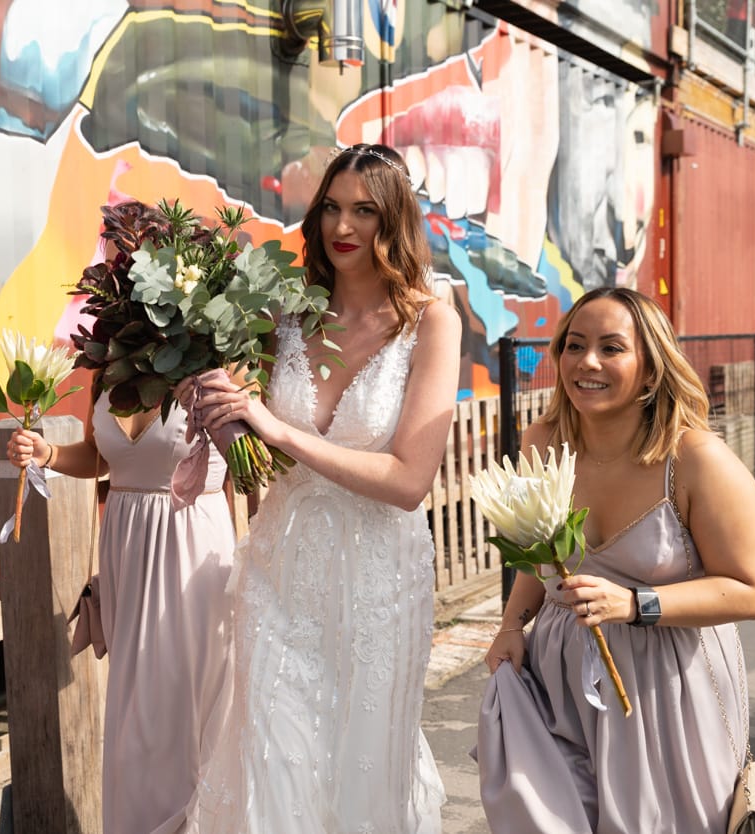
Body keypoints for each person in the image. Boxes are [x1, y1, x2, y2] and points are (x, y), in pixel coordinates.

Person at [179, 143, 461, 832]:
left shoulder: (432, 321)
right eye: (332, 207)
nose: (344, 225)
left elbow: (408, 481)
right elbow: (257, 446)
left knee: (361, 767)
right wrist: (219, 414)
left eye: (365, 210)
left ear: (393, 220)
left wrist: (279, 431)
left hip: (378, 581)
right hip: (281, 568)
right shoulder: (286, 315)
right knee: (272, 757)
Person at [476, 286, 755, 833]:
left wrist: (635, 604)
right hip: (560, 679)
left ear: (652, 369)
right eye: (574, 345)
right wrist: (512, 624)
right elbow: (535, 551)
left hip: (669, 689)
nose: (587, 362)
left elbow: (749, 591)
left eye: (612, 348)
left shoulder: (696, 459)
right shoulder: (542, 441)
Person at [6, 378, 237, 834]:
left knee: (178, 707)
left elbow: (249, 456)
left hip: (190, 550)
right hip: (127, 556)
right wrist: (46, 453)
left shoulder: (213, 355)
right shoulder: (109, 361)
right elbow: (101, 457)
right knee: (134, 713)